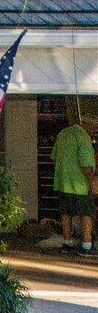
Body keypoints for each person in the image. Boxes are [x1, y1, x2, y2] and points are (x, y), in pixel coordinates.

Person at [51, 105, 98, 256]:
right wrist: (93, 182)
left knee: (65, 214)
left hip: (62, 182)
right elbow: (86, 165)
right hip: (79, 185)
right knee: (86, 214)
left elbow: (54, 157)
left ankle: (67, 243)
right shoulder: (83, 138)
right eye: (94, 126)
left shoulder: (62, 134)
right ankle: (86, 246)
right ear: (87, 125)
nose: (94, 130)